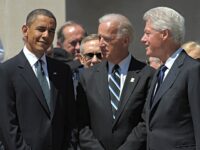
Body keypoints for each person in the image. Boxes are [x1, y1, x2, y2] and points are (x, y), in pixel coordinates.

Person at [0, 9, 77, 150]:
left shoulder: (62, 71)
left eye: (51, 31)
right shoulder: (7, 71)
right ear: (25, 30)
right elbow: (7, 124)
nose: (46, 36)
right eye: (41, 29)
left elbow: (70, 119)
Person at [77, 13, 155, 150]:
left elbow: (146, 122)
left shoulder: (147, 75)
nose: (100, 43)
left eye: (106, 39)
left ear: (125, 41)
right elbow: (81, 123)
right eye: (99, 37)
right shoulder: (87, 76)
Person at [141, 7, 200, 150]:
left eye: (147, 33)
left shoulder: (192, 70)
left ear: (164, 34)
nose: (143, 39)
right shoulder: (160, 72)